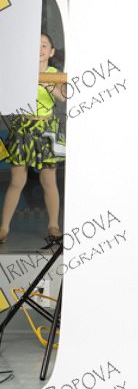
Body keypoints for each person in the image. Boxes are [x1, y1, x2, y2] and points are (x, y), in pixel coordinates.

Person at [0, 32, 66, 244]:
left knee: (48, 180)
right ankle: (3, 227)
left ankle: (53, 225)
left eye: (44, 45)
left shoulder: (56, 73)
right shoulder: (22, 72)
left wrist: (48, 84)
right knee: (17, 180)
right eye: (35, 45)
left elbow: (64, 96)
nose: (40, 49)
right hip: (23, 128)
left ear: (51, 51)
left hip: (46, 129)